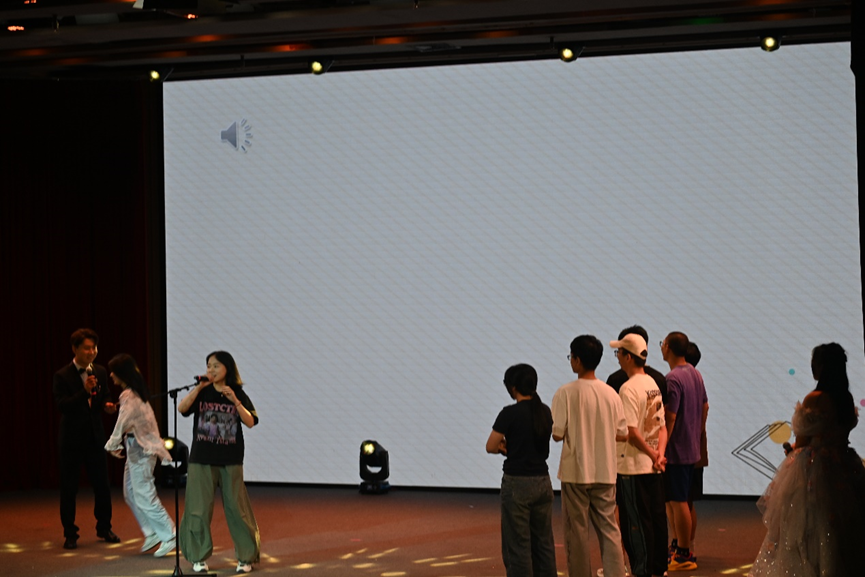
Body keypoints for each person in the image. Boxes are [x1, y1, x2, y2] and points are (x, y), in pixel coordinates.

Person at [749, 342, 865, 576]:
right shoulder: (845, 398)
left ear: (821, 367)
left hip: (814, 470)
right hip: (844, 464)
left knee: (808, 527)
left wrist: (794, 449)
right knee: (840, 527)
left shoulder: (815, 398)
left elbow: (802, 438)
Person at [551, 335, 628, 577]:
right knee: (609, 529)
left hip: (575, 471)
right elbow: (622, 433)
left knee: (576, 532)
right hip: (605, 470)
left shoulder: (565, 392)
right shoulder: (611, 394)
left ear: (577, 360)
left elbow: (557, 433)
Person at [178, 351, 260, 574]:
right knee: (198, 508)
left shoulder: (237, 392)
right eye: (208, 366)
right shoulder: (202, 392)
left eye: (216, 366)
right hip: (201, 458)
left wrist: (235, 401)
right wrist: (198, 388)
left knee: (237, 509)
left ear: (227, 368)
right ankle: (198, 556)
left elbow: (251, 421)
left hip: (230, 459)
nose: (211, 370)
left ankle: (245, 556)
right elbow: (182, 409)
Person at [486, 364, 557, 577]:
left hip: (517, 484)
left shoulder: (509, 413)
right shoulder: (544, 411)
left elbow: (490, 446)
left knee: (518, 546)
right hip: (542, 482)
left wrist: (504, 447)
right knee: (544, 543)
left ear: (513, 387)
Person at [52, 328, 119, 549]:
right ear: (75, 349)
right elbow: (63, 406)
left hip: (95, 436)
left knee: (102, 485)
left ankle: (104, 527)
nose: (92, 352)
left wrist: (107, 405)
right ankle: (70, 533)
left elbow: (104, 395)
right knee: (69, 488)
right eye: (87, 348)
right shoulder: (62, 375)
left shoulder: (100, 371)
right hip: (71, 439)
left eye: (94, 348)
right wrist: (84, 391)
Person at [104, 353, 176, 557]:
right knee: (130, 492)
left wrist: (112, 443)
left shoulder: (128, 395)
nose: (111, 375)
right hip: (137, 448)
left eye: (113, 372)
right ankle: (151, 532)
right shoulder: (135, 393)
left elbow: (123, 420)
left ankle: (169, 534)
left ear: (121, 373)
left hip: (142, 450)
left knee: (143, 494)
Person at [610, 334, 667, 577]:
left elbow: (631, 432)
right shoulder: (652, 383)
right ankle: (657, 569)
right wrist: (659, 455)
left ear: (628, 357)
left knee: (635, 523)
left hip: (633, 466)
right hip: (653, 466)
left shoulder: (628, 388)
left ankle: (642, 570)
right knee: (655, 518)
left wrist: (652, 454)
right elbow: (662, 427)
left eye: (619, 353)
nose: (618, 358)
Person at [659, 331, 707, 572]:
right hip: (690, 447)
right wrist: (697, 432)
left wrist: (662, 446)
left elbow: (670, 416)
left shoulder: (673, 378)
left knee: (678, 502)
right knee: (678, 501)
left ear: (668, 347)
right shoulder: (695, 373)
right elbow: (705, 406)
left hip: (677, 450)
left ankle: (683, 553)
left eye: (662, 343)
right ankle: (679, 546)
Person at [683, 342, 707, 559]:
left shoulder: (681, 378)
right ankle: (688, 546)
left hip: (684, 450)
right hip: (696, 447)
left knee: (681, 501)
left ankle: (683, 548)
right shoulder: (698, 378)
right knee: (686, 500)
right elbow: (705, 406)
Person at [607, 326, 668, 404]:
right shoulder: (654, 381)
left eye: (619, 351)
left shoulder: (626, 388)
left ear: (628, 357)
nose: (617, 356)